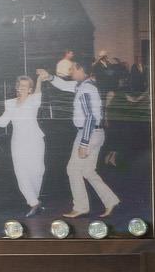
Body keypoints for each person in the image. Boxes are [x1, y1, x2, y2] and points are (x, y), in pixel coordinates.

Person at [40, 53, 120, 219]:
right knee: (88, 171)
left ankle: (81, 207)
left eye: (73, 68)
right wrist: (50, 77)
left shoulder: (85, 89)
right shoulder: (86, 85)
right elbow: (64, 86)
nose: (70, 71)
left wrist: (84, 144)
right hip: (96, 133)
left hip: (87, 133)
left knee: (73, 170)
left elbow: (90, 117)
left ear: (80, 69)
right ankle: (111, 200)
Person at [0, 73, 47, 213]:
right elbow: (4, 122)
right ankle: (33, 203)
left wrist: (39, 79)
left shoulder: (33, 100)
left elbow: (38, 91)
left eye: (24, 86)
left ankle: (36, 201)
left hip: (35, 140)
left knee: (37, 171)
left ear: (30, 89)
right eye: (19, 85)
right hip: (18, 142)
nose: (20, 88)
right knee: (21, 172)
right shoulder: (10, 103)